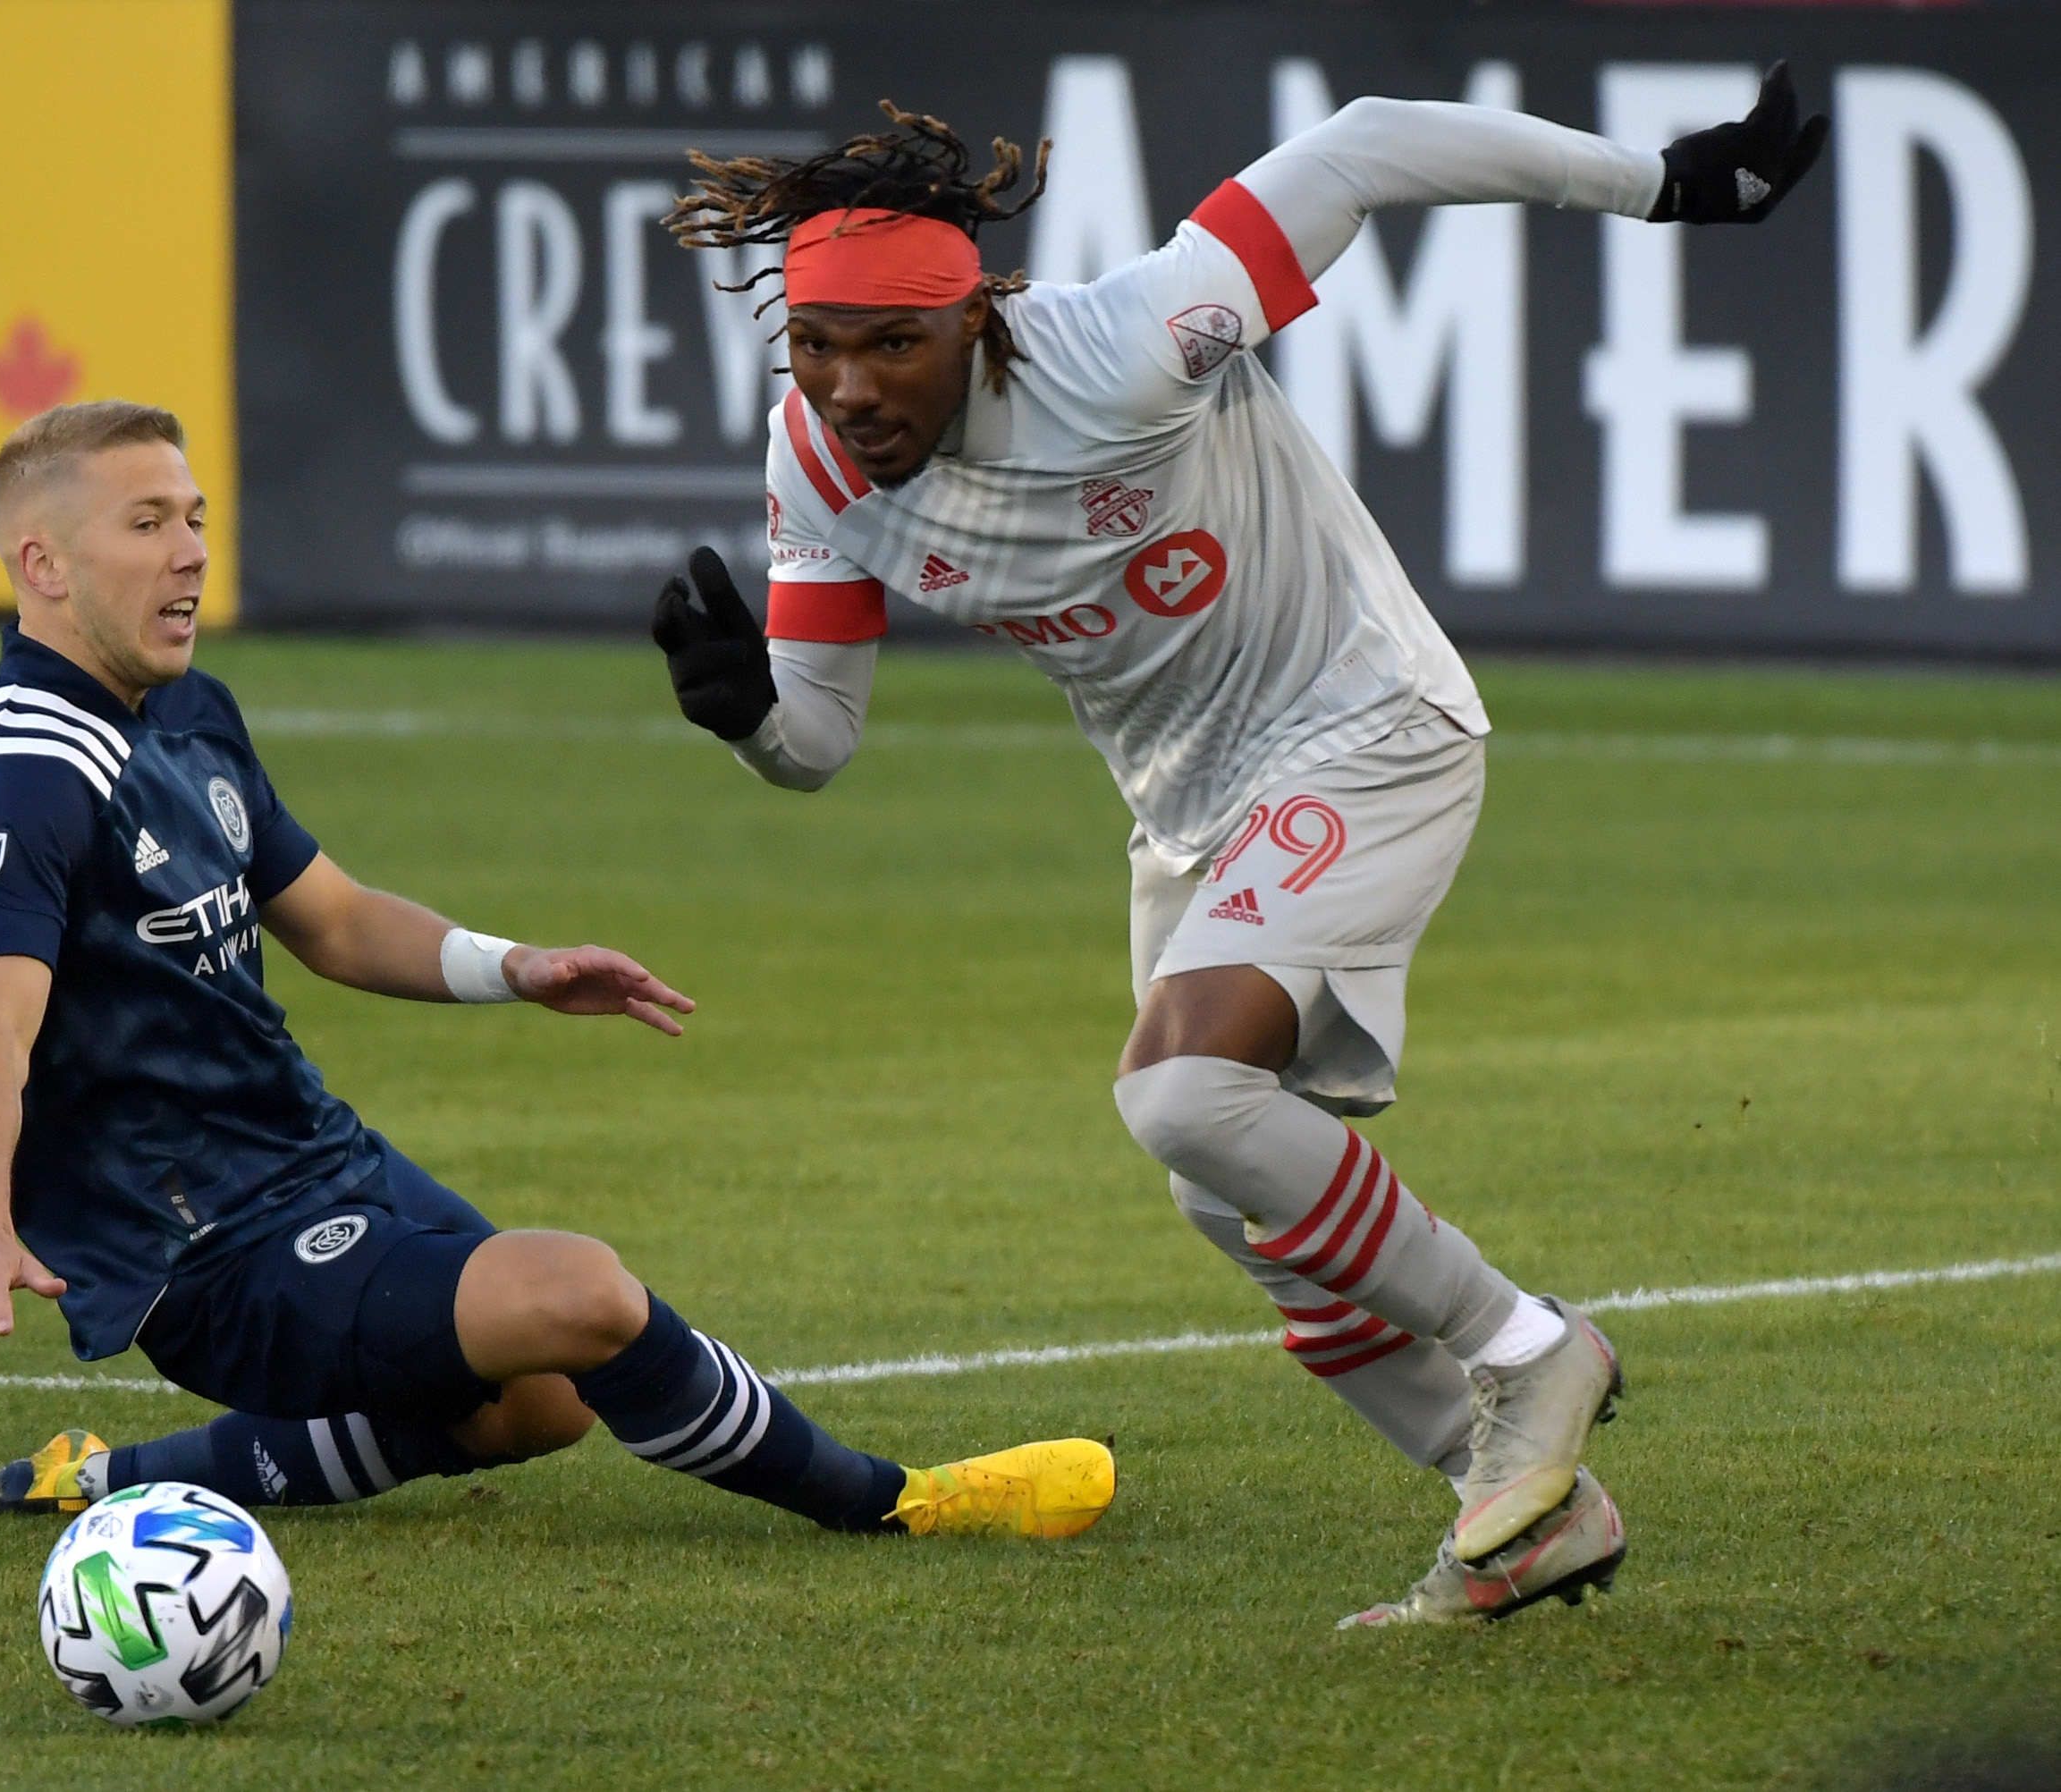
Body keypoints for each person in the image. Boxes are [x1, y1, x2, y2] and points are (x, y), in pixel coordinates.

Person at [649, 74, 1826, 1622]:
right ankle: (1523, 1512)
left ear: (975, 323)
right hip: (1190, 812)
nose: (849, 386)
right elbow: (817, 738)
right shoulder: (813, 467)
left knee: (1184, 1094)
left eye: (890, 344)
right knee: (1227, 1192)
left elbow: (1363, 145)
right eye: (815, 345)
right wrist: (740, 710)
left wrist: (1663, 186)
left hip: (1366, 726)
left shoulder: (1133, 343)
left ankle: (1535, 1353)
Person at [0, 399, 1113, 1543]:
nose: (190, 554)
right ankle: (892, 1502)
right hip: (196, 1250)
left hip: (312, 1157)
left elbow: (332, 917)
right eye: (147, 523)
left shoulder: (183, 711)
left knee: (540, 1402)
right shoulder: (24, 768)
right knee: (578, 1294)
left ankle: (105, 1477)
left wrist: (515, 967)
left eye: (197, 518)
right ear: (43, 565)